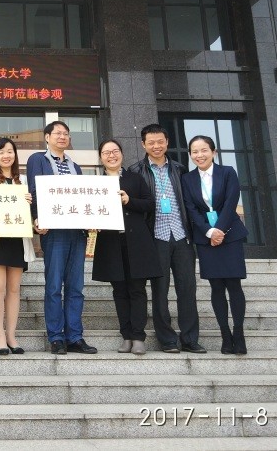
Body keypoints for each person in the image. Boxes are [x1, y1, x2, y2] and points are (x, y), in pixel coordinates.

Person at [129, 123, 206, 354]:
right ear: (143, 144)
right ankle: (168, 340)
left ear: (167, 142)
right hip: (155, 237)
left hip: (182, 236)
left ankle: (190, 339)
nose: (156, 146)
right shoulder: (136, 171)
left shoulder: (179, 169)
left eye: (160, 141)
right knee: (159, 291)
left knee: (187, 289)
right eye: (151, 142)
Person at [27, 120, 97, 355]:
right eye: (57, 133)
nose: (62, 137)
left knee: (76, 287)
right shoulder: (38, 160)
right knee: (54, 285)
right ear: (47, 137)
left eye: (66, 133)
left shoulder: (75, 166)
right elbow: (34, 190)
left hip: (77, 231)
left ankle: (75, 337)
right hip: (54, 231)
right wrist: (36, 218)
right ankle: (56, 337)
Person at [91, 139, 161, 356]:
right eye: (106, 153)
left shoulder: (134, 178)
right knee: (119, 291)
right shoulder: (95, 183)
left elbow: (150, 204)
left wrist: (129, 200)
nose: (111, 156)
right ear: (100, 157)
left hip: (136, 242)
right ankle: (126, 336)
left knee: (137, 289)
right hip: (110, 243)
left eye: (115, 151)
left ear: (121, 154)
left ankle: (138, 337)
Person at [182, 135, 249, 355]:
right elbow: (191, 209)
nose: (199, 155)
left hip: (230, 235)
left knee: (234, 285)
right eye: (194, 151)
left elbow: (231, 202)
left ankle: (238, 333)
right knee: (216, 287)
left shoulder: (227, 172)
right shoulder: (187, 179)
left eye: (204, 150)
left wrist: (219, 229)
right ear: (190, 155)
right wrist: (209, 231)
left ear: (213, 152)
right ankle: (225, 336)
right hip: (206, 239)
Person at [0, 137, 35, 355]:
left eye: (10, 151)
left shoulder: (24, 181)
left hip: (18, 240)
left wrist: (30, 204)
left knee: (14, 289)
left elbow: (30, 215)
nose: (6, 155)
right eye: (1, 152)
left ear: (15, 155)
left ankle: (11, 335)